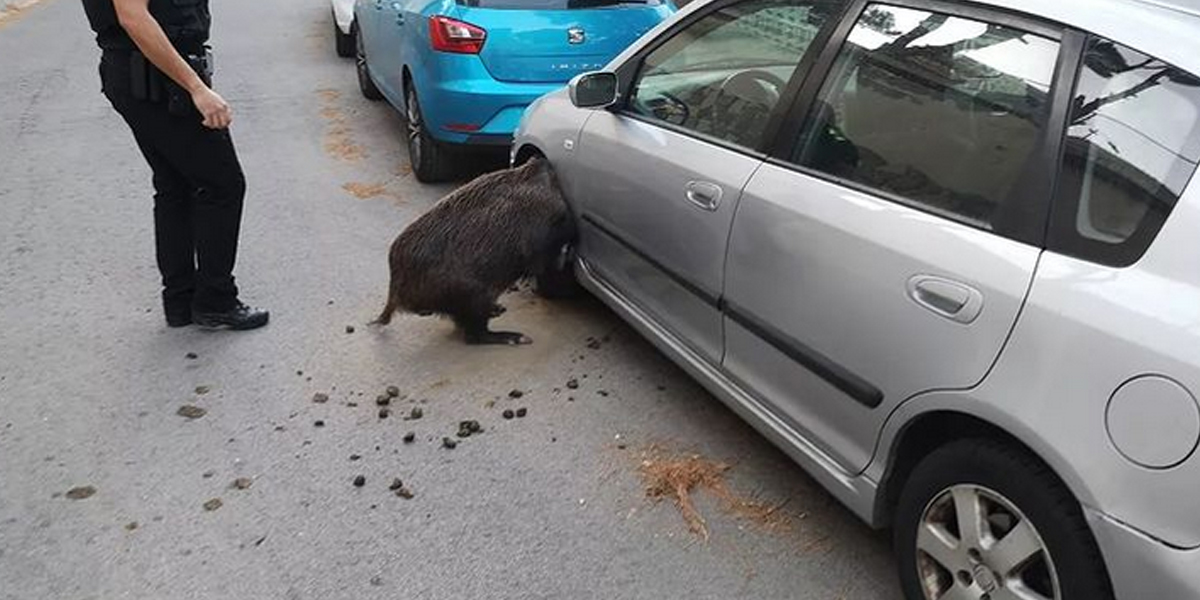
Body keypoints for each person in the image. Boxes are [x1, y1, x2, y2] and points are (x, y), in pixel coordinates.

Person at [83, 0, 268, 330]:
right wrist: (195, 87)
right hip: (157, 79)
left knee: (175, 186)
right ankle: (215, 300)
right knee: (223, 184)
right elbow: (134, 18)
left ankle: (181, 300)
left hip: (143, 73)